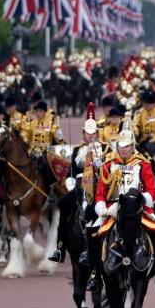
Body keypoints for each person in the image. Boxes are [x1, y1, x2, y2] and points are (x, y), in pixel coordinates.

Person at [92, 118, 155, 293]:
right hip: (112, 209)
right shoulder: (108, 164)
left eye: (127, 146)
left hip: (137, 208)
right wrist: (102, 208)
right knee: (92, 233)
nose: (123, 149)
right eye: (121, 146)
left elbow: (152, 189)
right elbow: (100, 191)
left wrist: (142, 199)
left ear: (132, 146)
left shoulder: (142, 164)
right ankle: (94, 275)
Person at [49, 103, 104, 265]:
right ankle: (60, 248)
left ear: (98, 133)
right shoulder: (77, 150)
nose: (91, 136)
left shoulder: (106, 149)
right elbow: (70, 173)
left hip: (100, 185)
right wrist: (71, 184)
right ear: (83, 134)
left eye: (94, 133)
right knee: (63, 204)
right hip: (80, 185)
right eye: (88, 133)